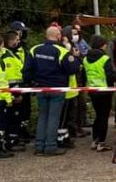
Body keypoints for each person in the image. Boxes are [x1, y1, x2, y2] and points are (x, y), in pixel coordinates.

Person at [24, 25, 80, 156]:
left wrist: (33, 82)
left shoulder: (34, 49)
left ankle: (39, 145)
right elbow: (73, 69)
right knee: (54, 117)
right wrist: (76, 58)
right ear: (59, 36)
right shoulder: (61, 51)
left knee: (43, 116)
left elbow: (26, 71)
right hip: (57, 88)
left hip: (41, 88)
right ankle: (50, 146)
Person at [83, 34, 116, 152]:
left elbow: (83, 76)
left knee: (98, 116)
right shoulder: (105, 59)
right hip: (104, 91)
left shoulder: (85, 59)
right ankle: (101, 142)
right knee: (103, 117)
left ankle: (95, 140)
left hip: (92, 91)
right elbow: (110, 76)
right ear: (102, 45)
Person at [1, 30, 26, 150]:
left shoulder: (10, 54)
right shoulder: (7, 56)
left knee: (14, 117)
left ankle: (13, 139)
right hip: (11, 92)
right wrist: (17, 94)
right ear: (10, 41)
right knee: (11, 118)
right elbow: (11, 78)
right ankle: (11, 141)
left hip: (11, 91)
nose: (18, 42)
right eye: (16, 40)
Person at [8, 21, 31, 142]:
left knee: (26, 110)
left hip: (24, 82)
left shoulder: (23, 46)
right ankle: (15, 134)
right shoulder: (8, 49)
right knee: (16, 111)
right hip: (14, 84)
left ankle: (23, 131)